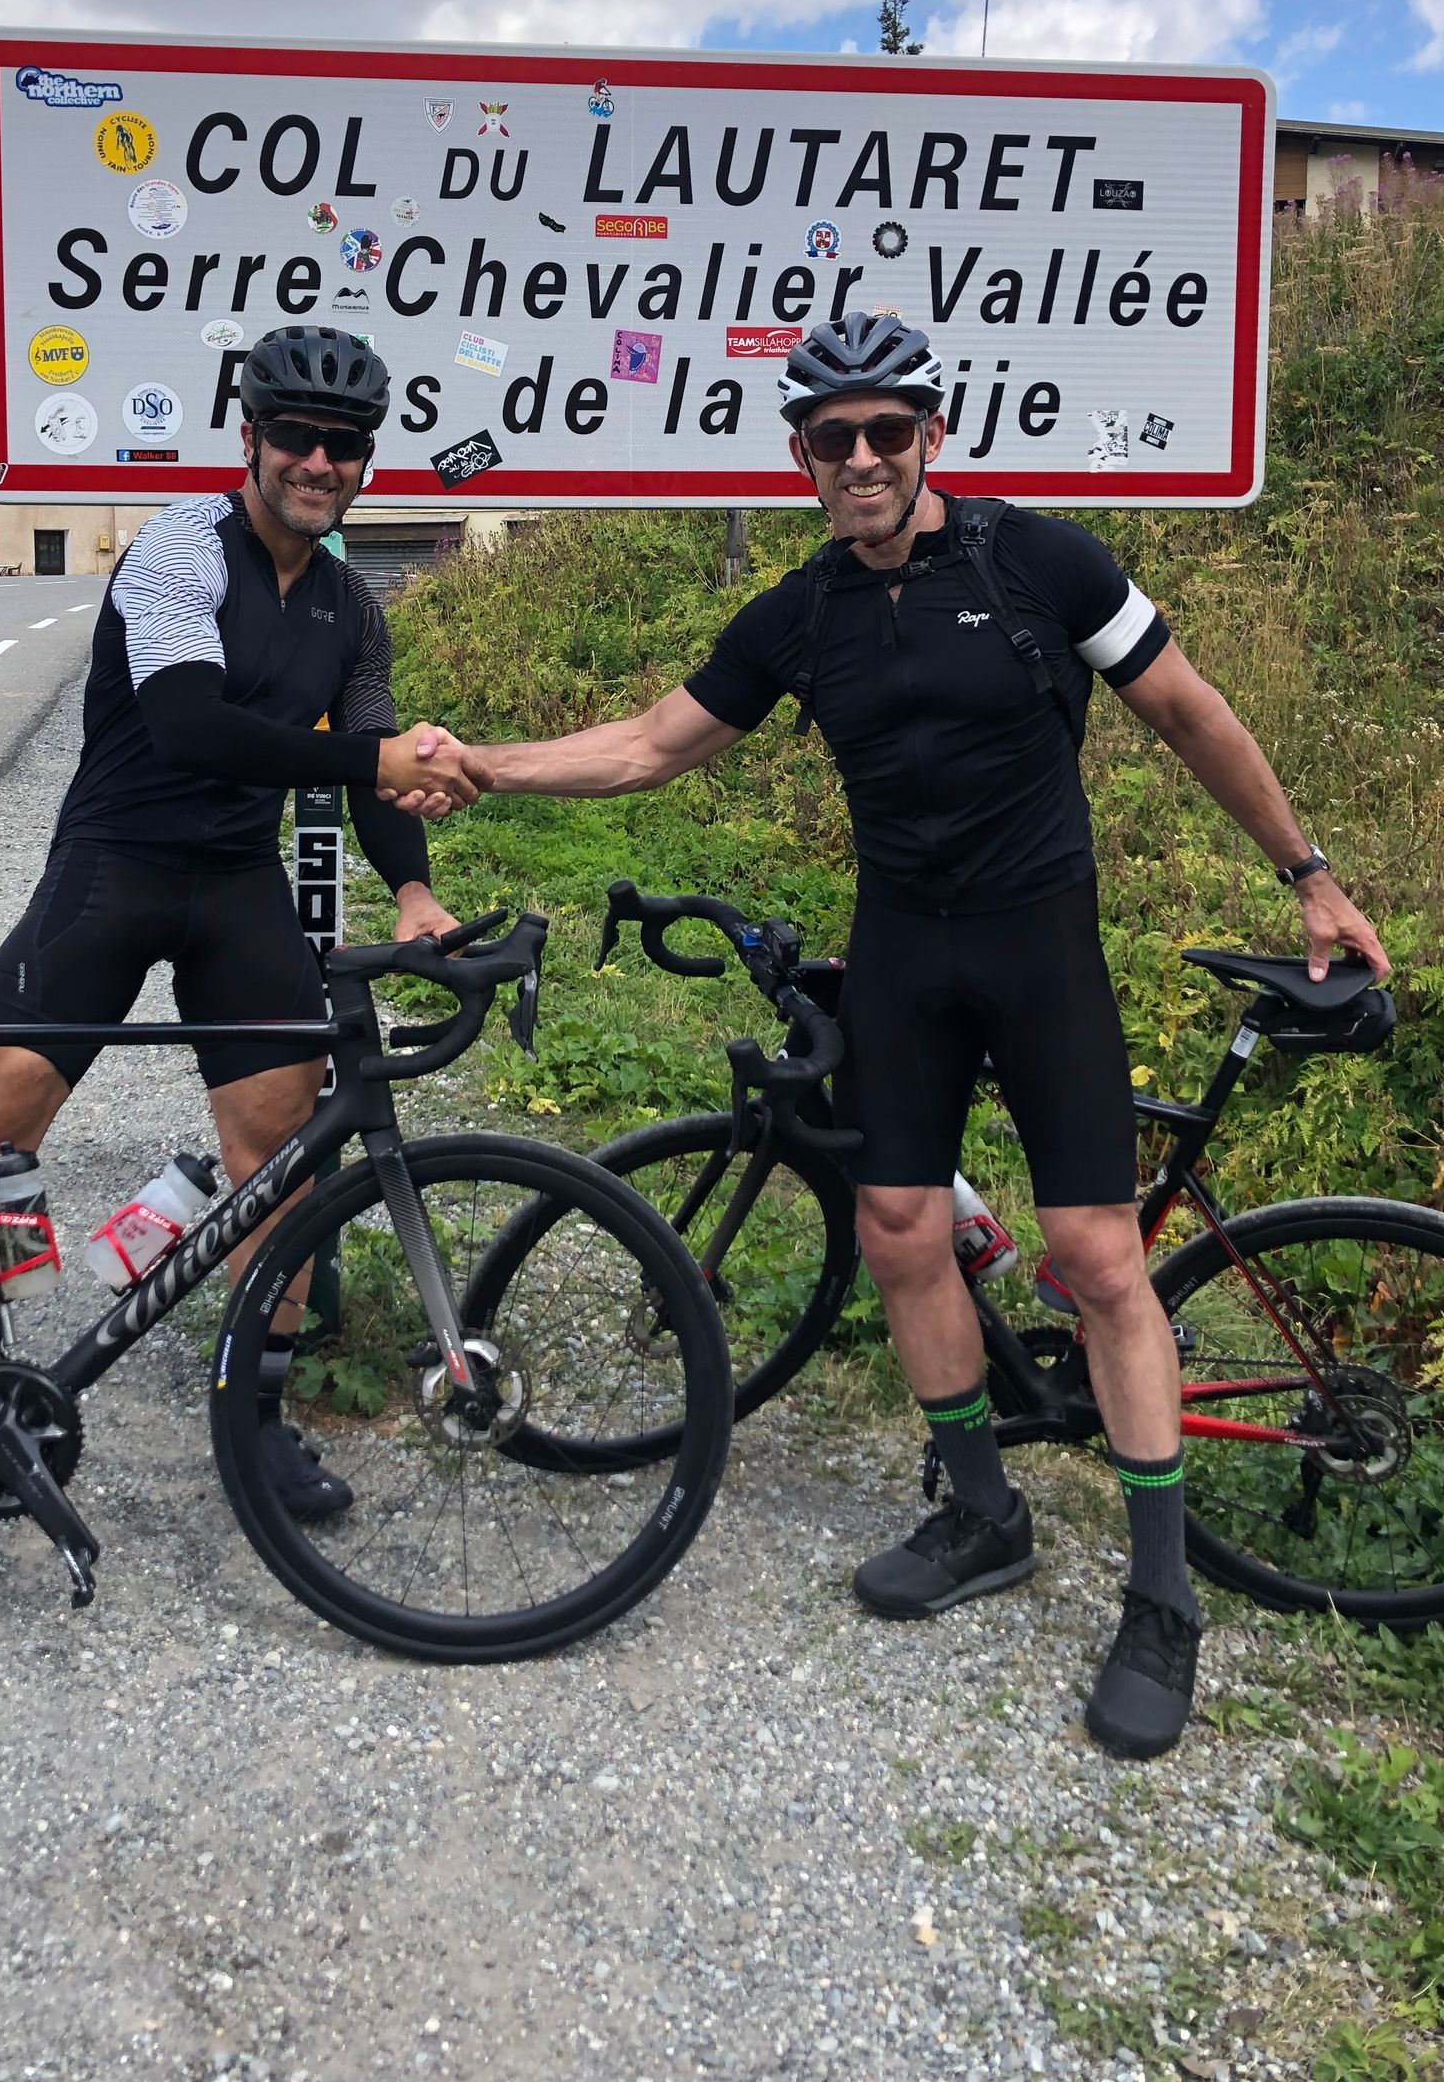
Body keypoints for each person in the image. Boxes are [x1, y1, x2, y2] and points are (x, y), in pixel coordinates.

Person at [410, 310, 1387, 1758]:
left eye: (886, 432)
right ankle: (982, 1511)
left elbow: (1187, 712)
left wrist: (1307, 873)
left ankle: (1164, 1596)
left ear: (934, 434)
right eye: (832, 439)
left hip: (1042, 944)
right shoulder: (800, 612)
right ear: (798, 455)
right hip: (905, 951)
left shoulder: (1044, 561)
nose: (861, 459)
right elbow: (649, 746)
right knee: (898, 1224)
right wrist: (487, 766)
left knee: (1100, 1259)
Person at [0, 326, 474, 1519]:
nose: (318, 462)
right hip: (116, 864)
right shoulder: (179, 546)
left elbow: (363, 762)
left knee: (279, 1152)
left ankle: (257, 1412)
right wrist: (366, 752)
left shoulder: (349, 602)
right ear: (251, 441)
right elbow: (188, 725)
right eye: (296, 438)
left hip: (236, 876)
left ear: (363, 460)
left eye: (342, 446)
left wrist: (415, 890)